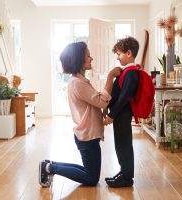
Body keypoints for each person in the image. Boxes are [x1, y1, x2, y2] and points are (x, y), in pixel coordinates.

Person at [39, 41, 121, 187]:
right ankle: (50, 168)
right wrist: (110, 77)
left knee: (89, 172)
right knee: (91, 178)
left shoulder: (79, 81)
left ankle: (49, 165)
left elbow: (96, 102)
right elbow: (102, 101)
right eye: (88, 56)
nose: (91, 58)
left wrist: (102, 106)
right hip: (87, 136)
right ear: (79, 61)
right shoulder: (78, 83)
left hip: (87, 135)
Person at [103, 36, 140, 188]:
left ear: (129, 53)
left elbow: (125, 96)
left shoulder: (131, 72)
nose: (117, 57)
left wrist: (112, 115)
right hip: (120, 114)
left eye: (119, 54)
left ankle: (126, 177)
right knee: (120, 144)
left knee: (124, 145)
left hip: (122, 114)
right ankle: (124, 172)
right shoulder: (126, 71)